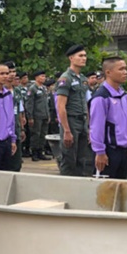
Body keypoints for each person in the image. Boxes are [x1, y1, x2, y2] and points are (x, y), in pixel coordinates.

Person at [90, 57, 127, 179]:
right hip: (109, 151)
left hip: (123, 150)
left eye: (125, 69)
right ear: (108, 72)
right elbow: (96, 126)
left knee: (121, 187)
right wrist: (100, 151)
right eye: (121, 69)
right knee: (106, 188)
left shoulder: (123, 95)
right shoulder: (101, 97)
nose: (125, 72)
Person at [56, 44, 91, 176]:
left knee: (81, 159)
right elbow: (61, 106)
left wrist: (88, 126)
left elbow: (85, 104)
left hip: (82, 121)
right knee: (69, 158)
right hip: (70, 121)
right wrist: (66, 130)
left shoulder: (83, 79)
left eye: (85, 56)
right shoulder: (66, 78)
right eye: (80, 56)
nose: (84, 58)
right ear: (71, 58)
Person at [26, 70, 50, 161]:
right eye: (42, 76)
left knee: (43, 135)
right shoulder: (33, 88)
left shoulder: (44, 88)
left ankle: (41, 151)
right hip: (36, 115)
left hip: (44, 115)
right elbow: (29, 104)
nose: (44, 78)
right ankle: (34, 152)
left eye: (44, 76)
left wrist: (48, 115)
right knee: (36, 134)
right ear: (36, 78)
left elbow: (46, 103)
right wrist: (30, 117)